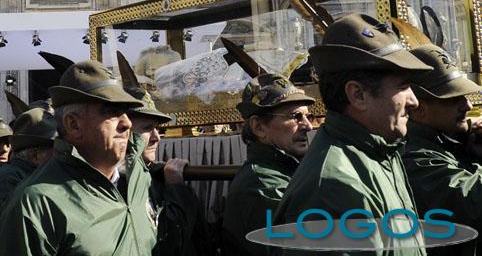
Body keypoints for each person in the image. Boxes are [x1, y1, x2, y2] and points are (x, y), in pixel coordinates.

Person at [273, 14, 432, 256]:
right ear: (358, 95)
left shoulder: (379, 152)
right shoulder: (331, 186)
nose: (414, 101)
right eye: (403, 86)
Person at [0, 60, 160, 255]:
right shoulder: (37, 203)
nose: (126, 123)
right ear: (73, 125)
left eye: (125, 112)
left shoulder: (139, 178)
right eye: (112, 112)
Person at [118, 50, 213, 256]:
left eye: (158, 129)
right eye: (146, 128)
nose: (156, 137)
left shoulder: (151, 174)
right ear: (121, 128)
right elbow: (166, 244)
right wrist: (176, 188)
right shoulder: (119, 182)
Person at [223, 73, 315, 256]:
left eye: (308, 117)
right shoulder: (261, 185)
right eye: (296, 117)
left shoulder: (286, 172)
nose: (307, 126)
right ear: (259, 127)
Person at [402, 44, 482, 255]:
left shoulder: (448, 142)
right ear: (419, 109)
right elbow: (470, 204)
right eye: (454, 99)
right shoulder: (414, 157)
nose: (466, 105)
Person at [0, 108, 56, 207]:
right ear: (35, 156)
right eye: (54, 150)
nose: (58, 155)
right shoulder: (9, 179)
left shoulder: (30, 175)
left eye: (7, 142)